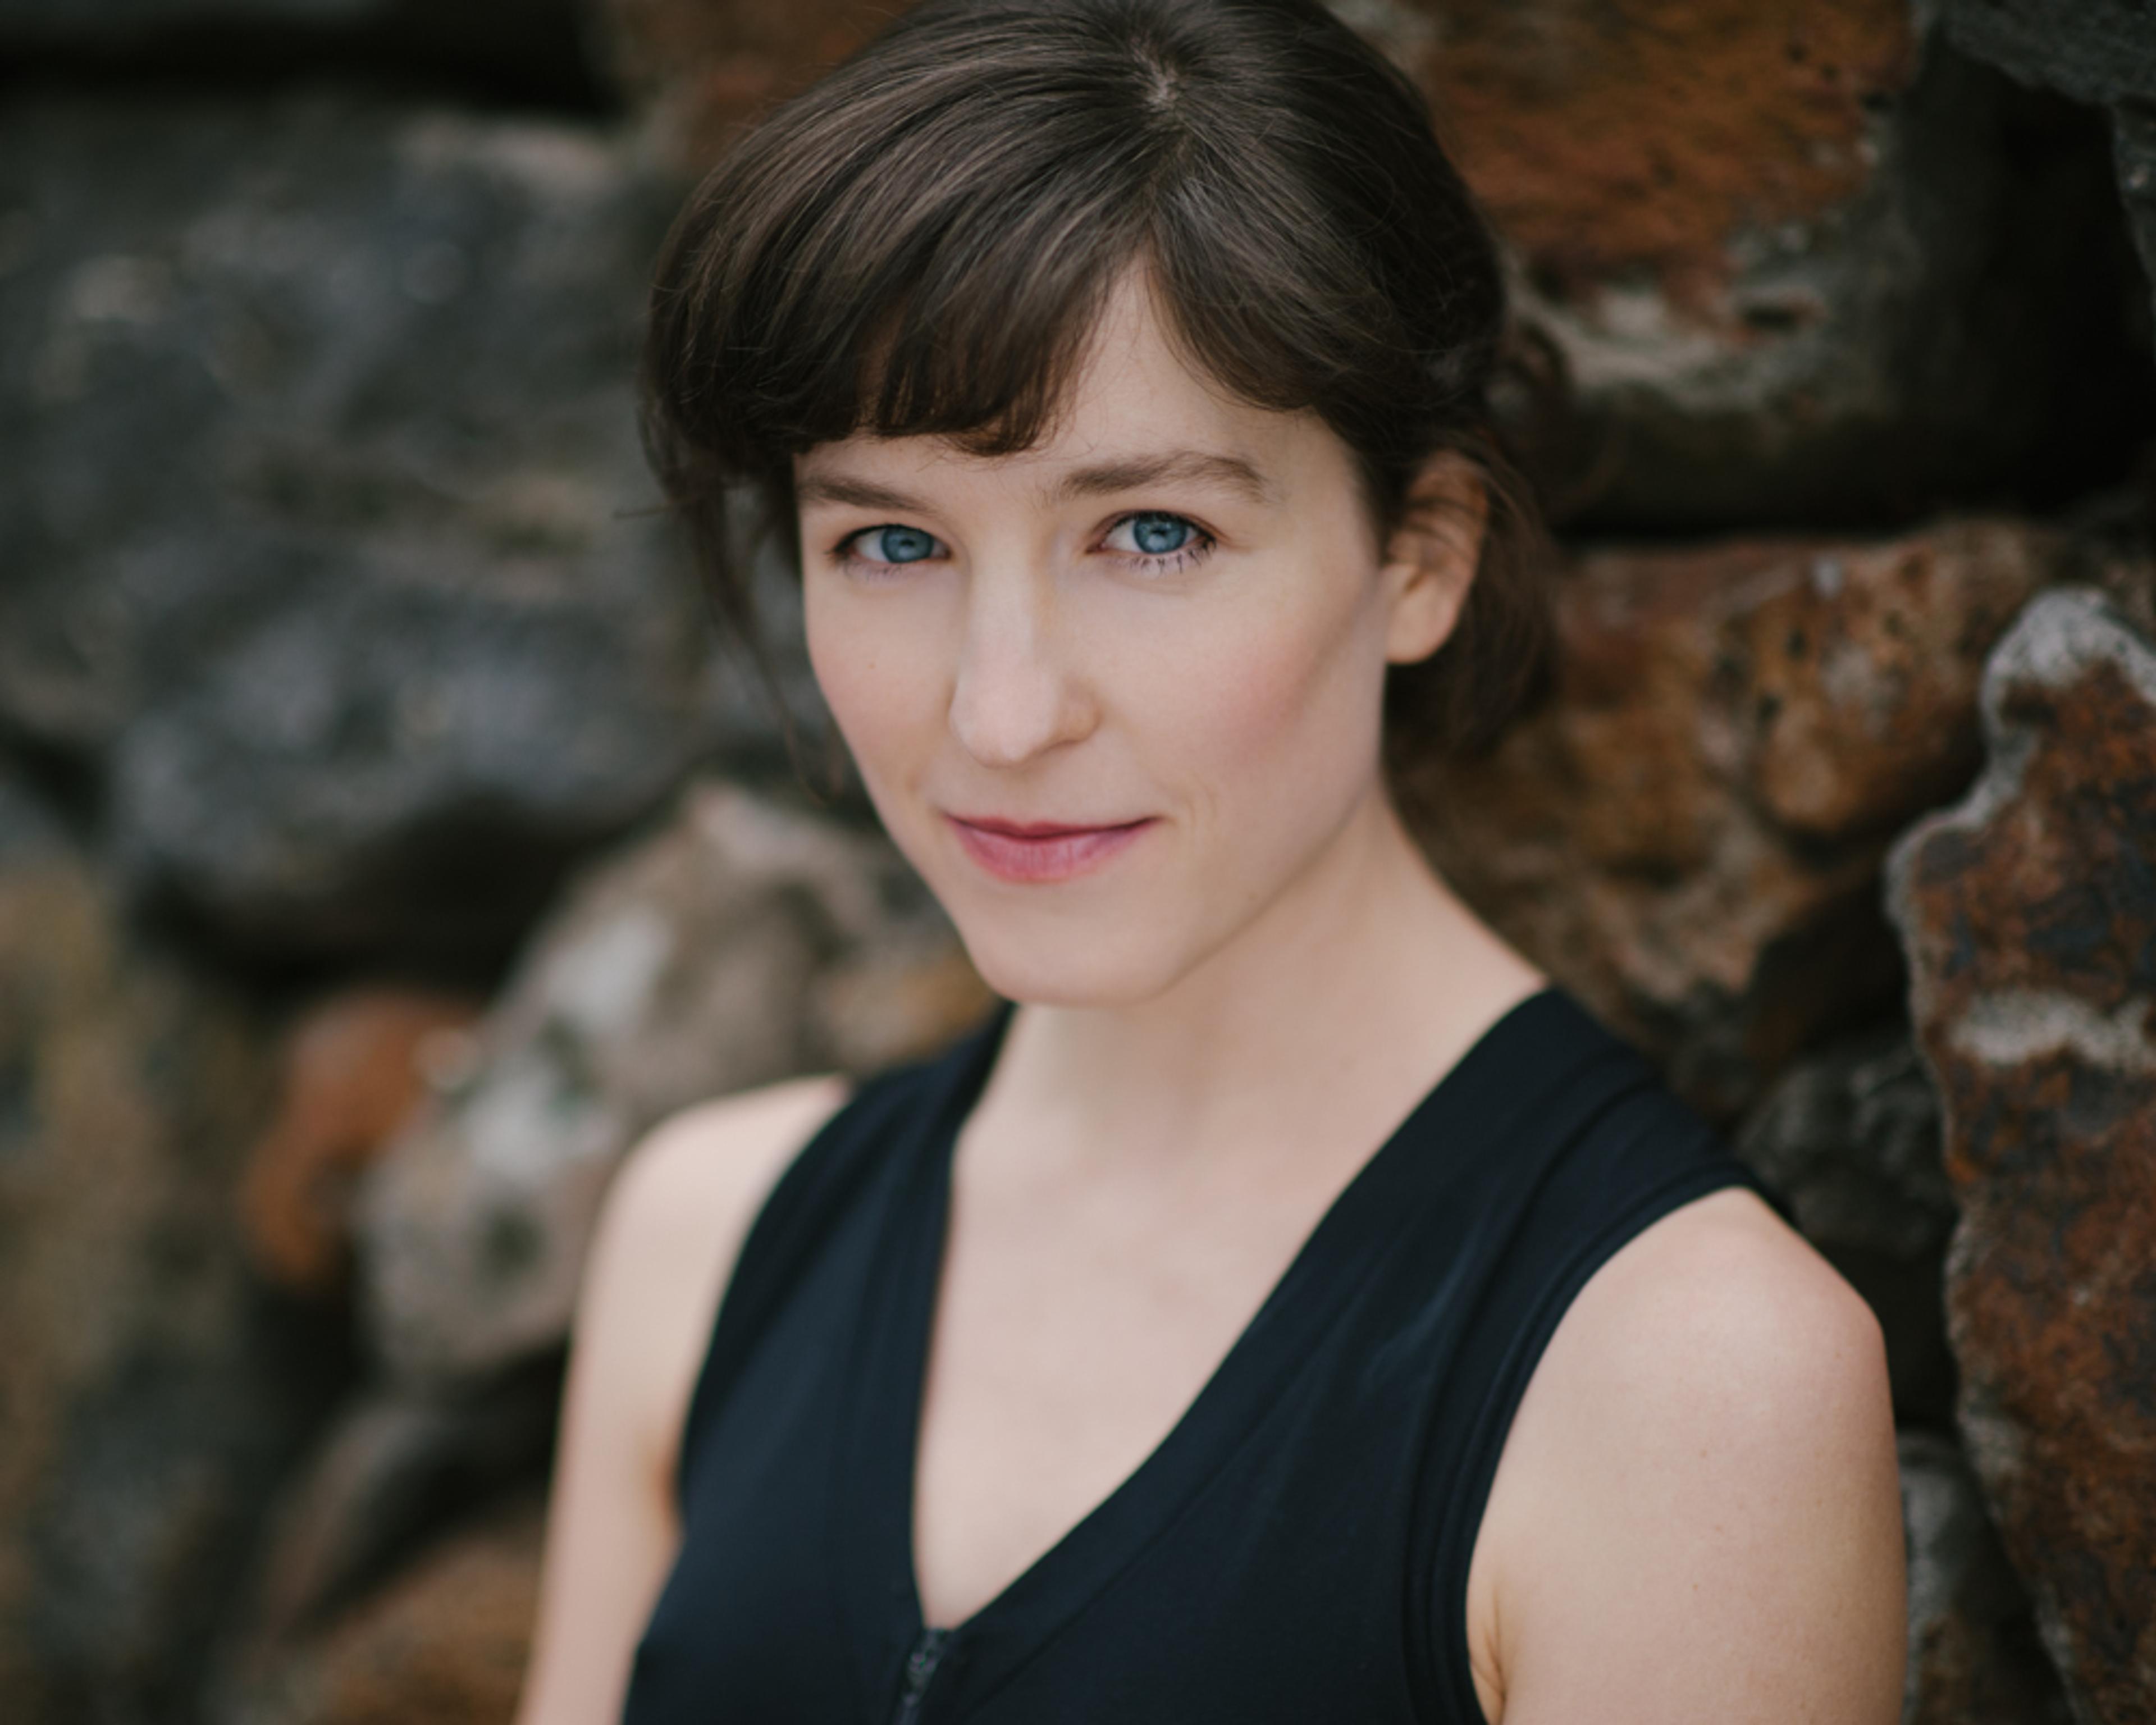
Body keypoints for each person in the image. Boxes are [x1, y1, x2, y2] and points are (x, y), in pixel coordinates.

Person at [515, 1, 1907, 1719]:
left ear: (1419, 556)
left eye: (1152, 534)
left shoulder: (1686, 1380)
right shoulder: (708, 1243)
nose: (1001, 713)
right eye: (890, 539)